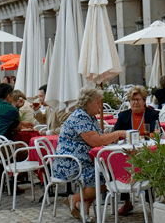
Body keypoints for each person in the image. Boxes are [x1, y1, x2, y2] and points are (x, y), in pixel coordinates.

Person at [54, 85, 126, 220]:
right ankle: (74, 199)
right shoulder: (80, 117)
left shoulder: (90, 117)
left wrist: (109, 138)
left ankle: (83, 207)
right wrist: (118, 133)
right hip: (70, 163)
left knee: (109, 172)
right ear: (89, 102)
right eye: (98, 102)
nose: (100, 106)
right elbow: (96, 141)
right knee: (105, 175)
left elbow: (98, 139)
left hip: (84, 161)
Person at [112, 85, 160, 215]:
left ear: (144, 100)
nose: (135, 103)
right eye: (132, 100)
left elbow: (156, 132)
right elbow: (114, 134)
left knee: (151, 164)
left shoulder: (152, 114)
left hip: (146, 151)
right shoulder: (124, 116)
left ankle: (150, 201)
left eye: (138, 99)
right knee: (121, 162)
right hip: (128, 152)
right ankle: (127, 202)